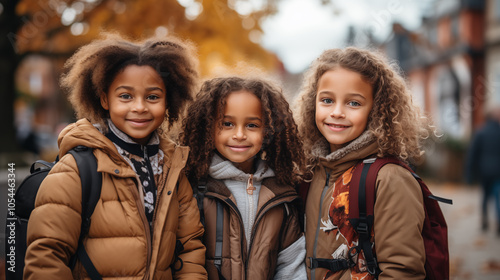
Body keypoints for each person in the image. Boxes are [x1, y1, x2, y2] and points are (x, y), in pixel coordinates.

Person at [24, 33, 207, 279]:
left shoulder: (173, 169)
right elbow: (46, 257)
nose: (140, 107)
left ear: (167, 103)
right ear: (104, 99)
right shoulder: (77, 169)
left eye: (152, 97)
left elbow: (191, 249)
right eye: (125, 96)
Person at [296, 47, 433, 279]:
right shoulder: (311, 171)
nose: (337, 112)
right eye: (327, 100)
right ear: (313, 104)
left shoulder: (389, 178)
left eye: (354, 103)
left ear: (376, 109)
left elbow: (402, 271)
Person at [181, 76, 307, 280]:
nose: (239, 134)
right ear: (208, 127)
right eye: (227, 123)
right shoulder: (193, 188)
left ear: (268, 130)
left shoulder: (281, 194)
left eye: (252, 125)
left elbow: (291, 266)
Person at [465, 106, 500, 234]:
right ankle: (498, 222)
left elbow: (472, 154)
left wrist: (469, 174)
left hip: (484, 171)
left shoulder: (480, 132)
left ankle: (485, 221)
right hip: (498, 172)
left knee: (485, 196)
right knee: (498, 196)